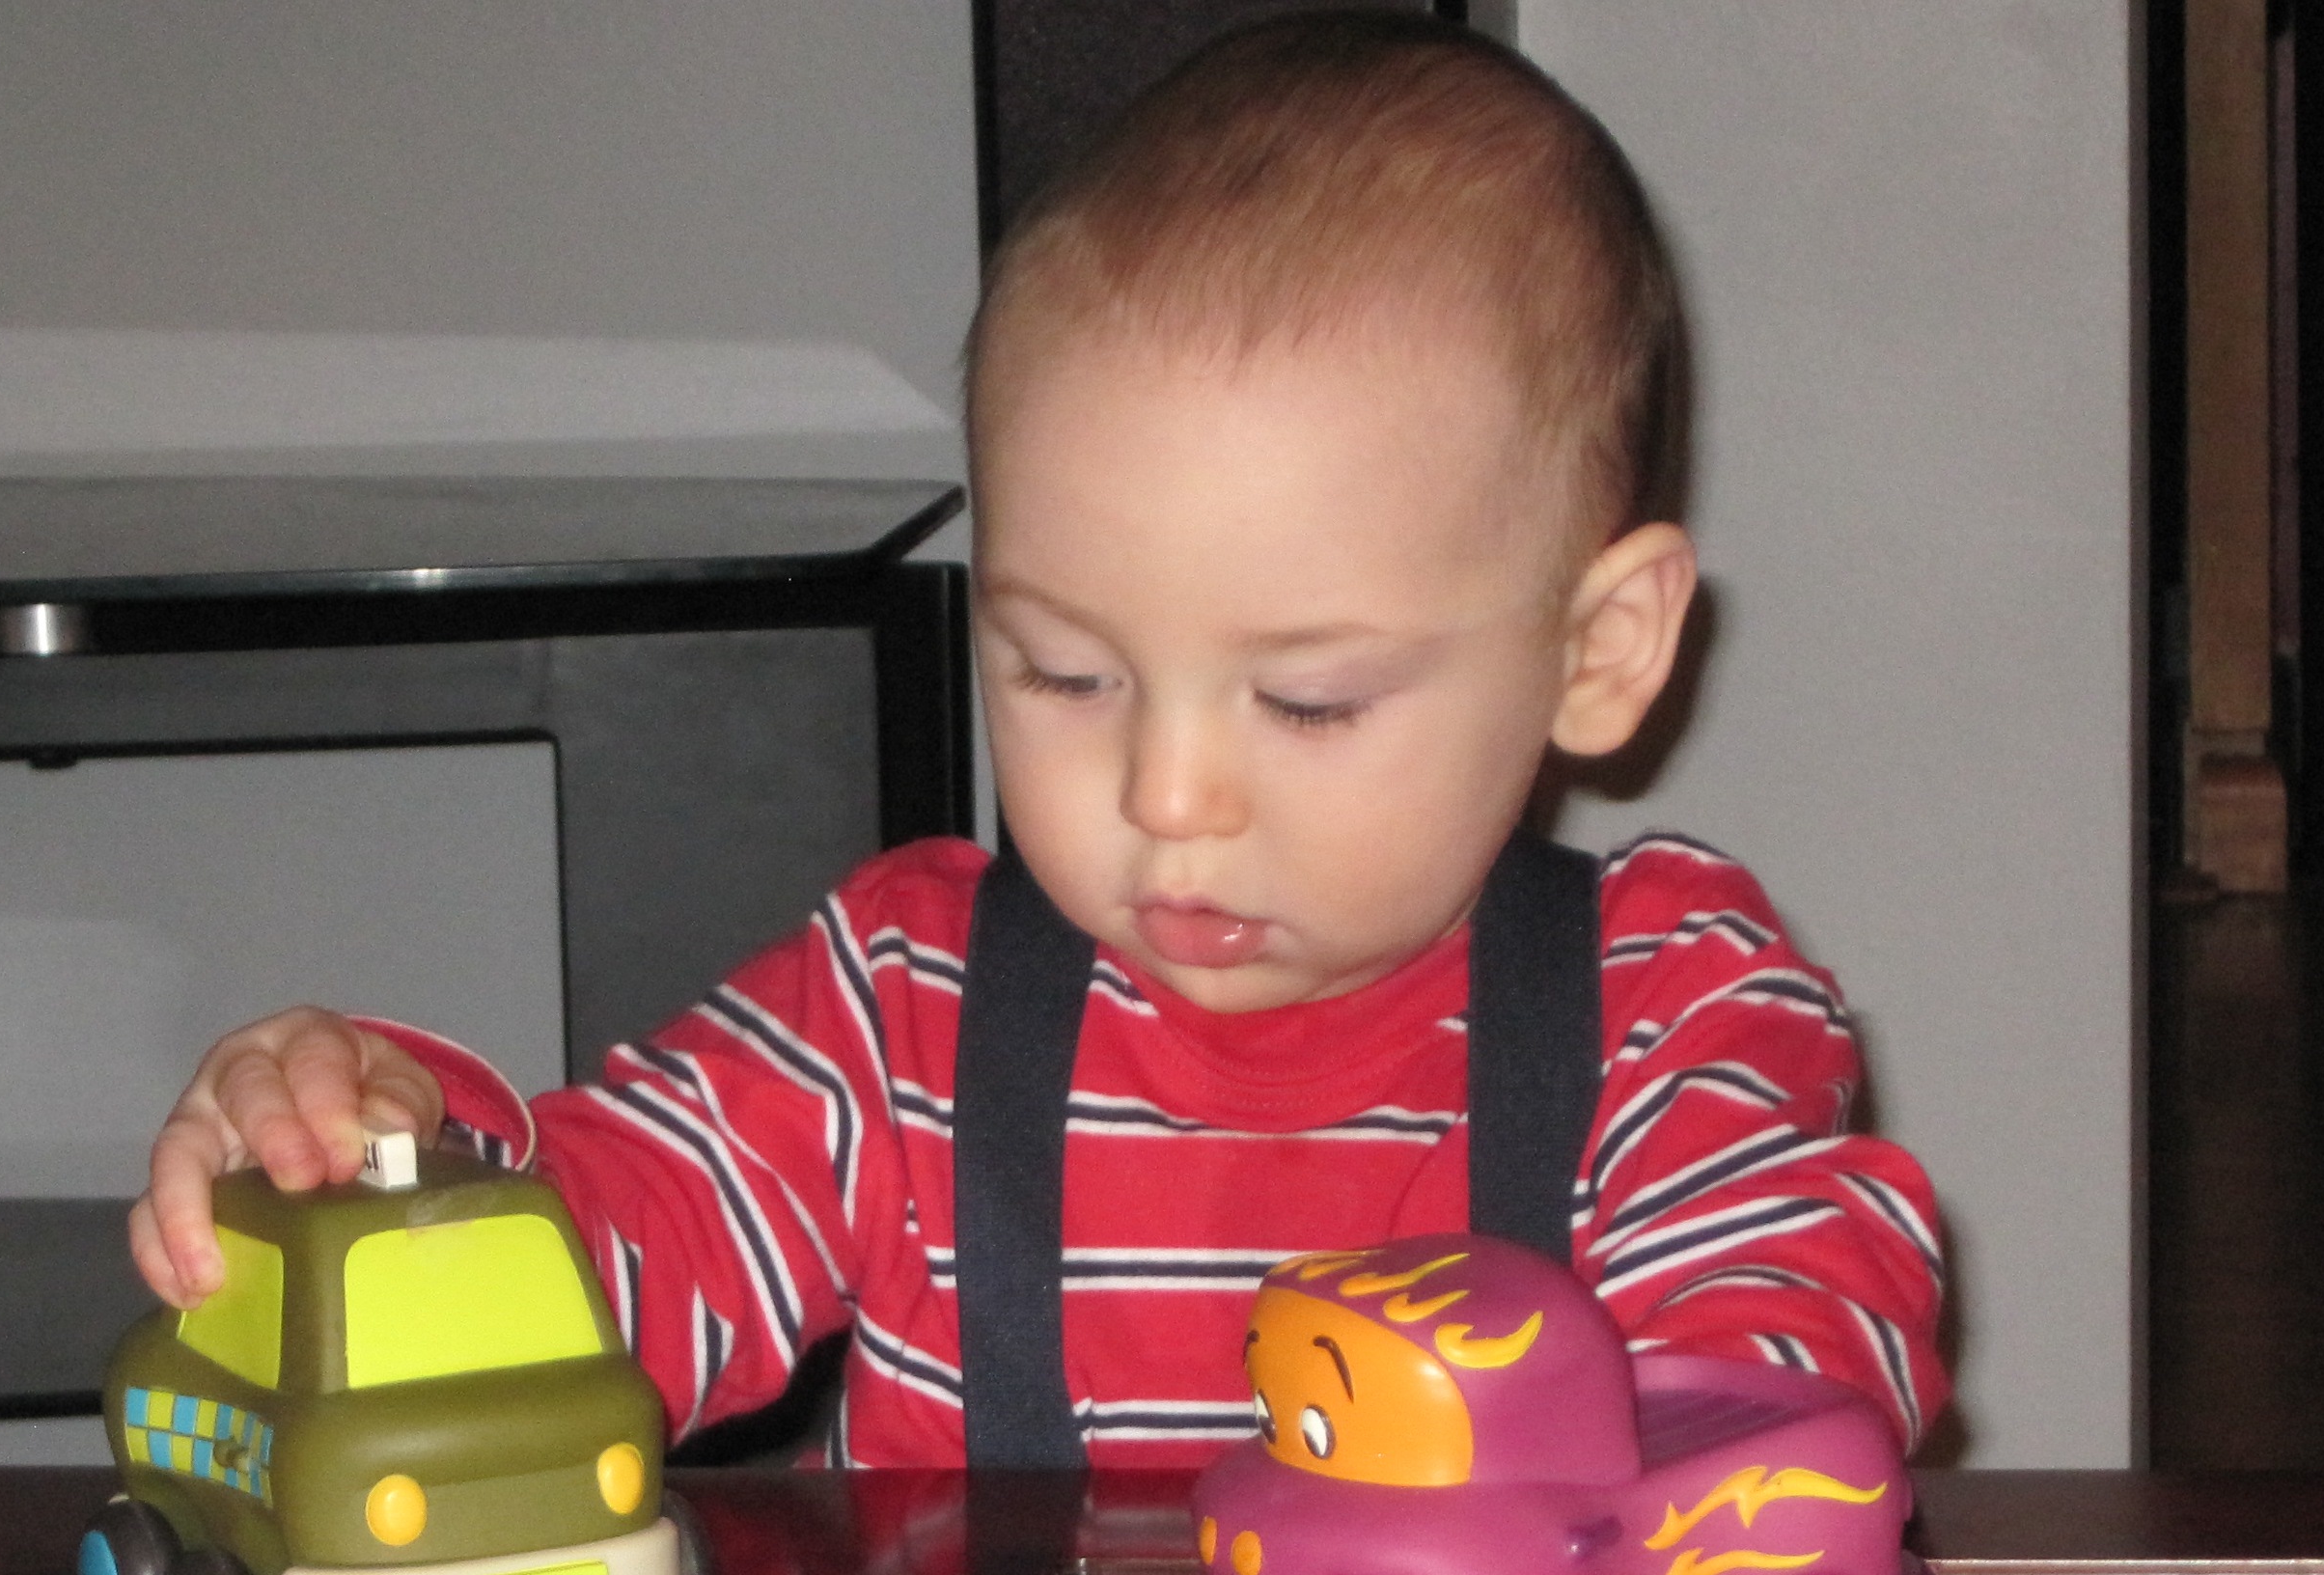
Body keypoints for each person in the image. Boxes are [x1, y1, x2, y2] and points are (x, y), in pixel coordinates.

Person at [128, 13, 1947, 1470]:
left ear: (1596, 650)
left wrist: (1687, 1460)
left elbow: (1790, 1334)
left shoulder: (1664, 1010)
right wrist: (389, 1162)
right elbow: (610, 1260)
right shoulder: (901, 1013)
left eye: (1306, 699)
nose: (1167, 797)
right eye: (1067, 674)